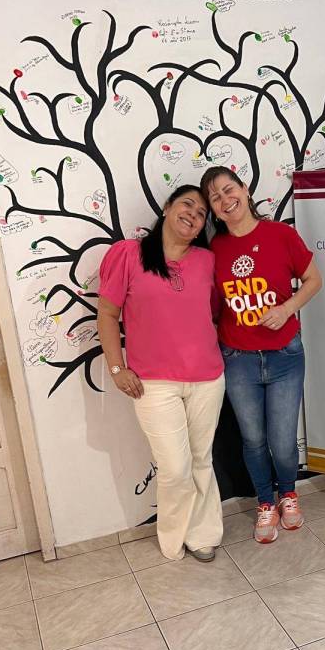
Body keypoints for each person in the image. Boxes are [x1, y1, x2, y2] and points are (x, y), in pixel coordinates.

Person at [97, 185, 225, 562]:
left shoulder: (207, 260)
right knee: (174, 468)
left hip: (207, 378)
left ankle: (203, 534)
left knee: (201, 460)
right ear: (167, 207)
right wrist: (117, 368)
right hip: (153, 384)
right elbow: (107, 314)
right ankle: (172, 538)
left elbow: (213, 313)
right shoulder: (129, 255)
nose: (193, 215)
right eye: (187, 204)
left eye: (201, 213)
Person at [200, 167, 322, 543]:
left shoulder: (281, 235)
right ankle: (265, 502)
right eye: (215, 197)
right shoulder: (214, 251)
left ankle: (289, 494)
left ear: (245, 189)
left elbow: (314, 279)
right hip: (238, 359)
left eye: (229, 189)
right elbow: (212, 308)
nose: (225, 200)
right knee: (252, 439)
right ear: (212, 209)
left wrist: (287, 309)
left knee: (283, 441)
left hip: (285, 356)